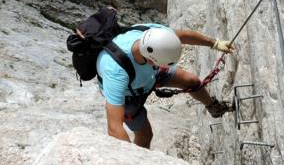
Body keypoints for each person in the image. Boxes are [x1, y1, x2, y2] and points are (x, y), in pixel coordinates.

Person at [96, 23, 235, 148]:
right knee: (145, 136)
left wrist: (215, 43)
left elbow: (183, 36)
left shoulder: (155, 36)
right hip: (129, 95)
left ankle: (214, 107)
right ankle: (142, 164)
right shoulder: (115, 72)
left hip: (148, 75)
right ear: (151, 62)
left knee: (191, 81)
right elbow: (114, 128)